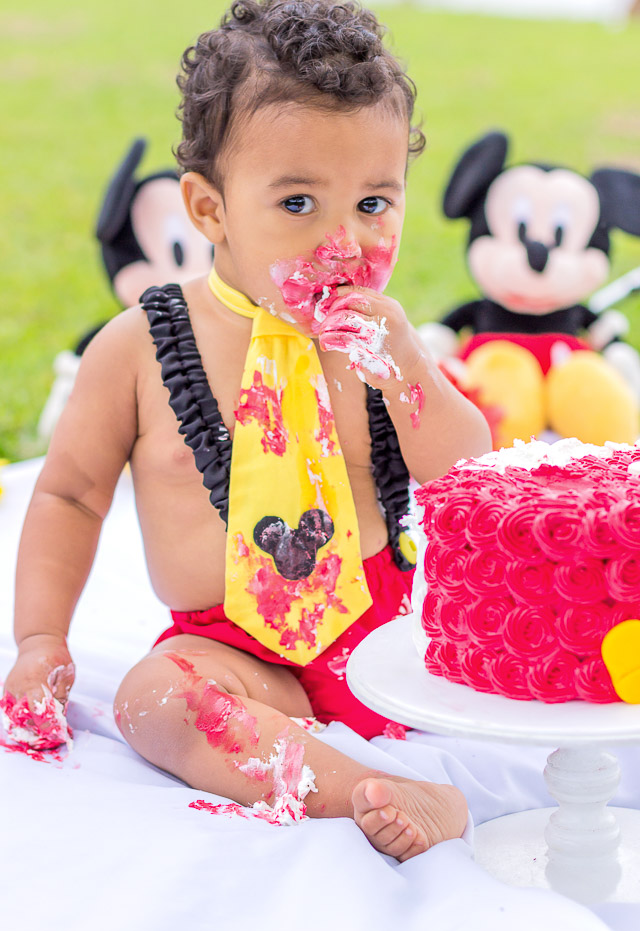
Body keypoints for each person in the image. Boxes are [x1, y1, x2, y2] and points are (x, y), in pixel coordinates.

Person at [4, 0, 490, 860]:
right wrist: (42, 639)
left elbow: (469, 483)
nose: (343, 240)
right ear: (210, 208)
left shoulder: (379, 342)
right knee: (154, 699)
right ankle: (372, 791)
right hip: (234, 651)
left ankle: (400, 770)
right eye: (298, 202)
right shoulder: (143, 347)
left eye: (374, 202)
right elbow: (73, 493)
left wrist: (408, 370)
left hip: (382, 635)